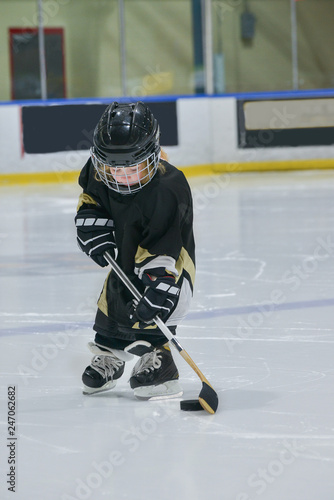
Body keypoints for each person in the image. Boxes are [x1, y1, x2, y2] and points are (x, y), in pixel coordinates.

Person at [75, 101, 195, 400]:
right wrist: (91, 225)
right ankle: (110, 356)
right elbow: (91, 199)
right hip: (124, 251)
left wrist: (161, 282)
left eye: (132, 167)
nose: (122, 175)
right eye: (113, 168)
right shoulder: (99, 170)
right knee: (115, 298)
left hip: (168, 258)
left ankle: (160, 361)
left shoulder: (168, 186)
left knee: (154, 305)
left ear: (152, 155)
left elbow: (165, 241)